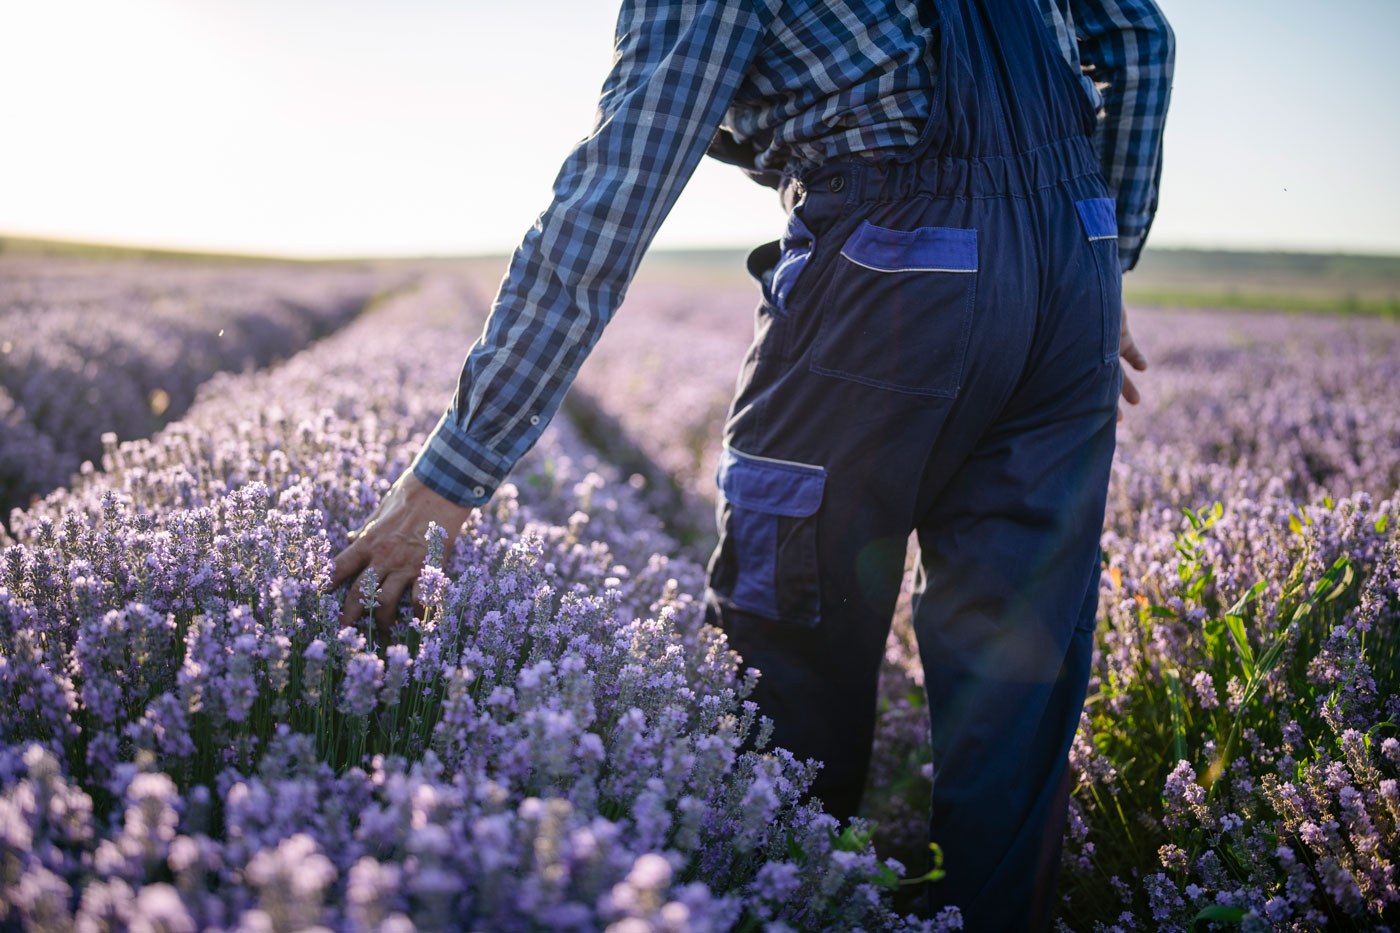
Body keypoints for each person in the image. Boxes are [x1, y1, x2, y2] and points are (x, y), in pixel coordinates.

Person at [329, 0, 1173, 926]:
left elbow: (617, 190)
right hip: (1073, 278)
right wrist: (1102, 256)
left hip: (892, 274)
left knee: (786, 641)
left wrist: (449, 475)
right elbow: (1138, 38)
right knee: (1020, 662)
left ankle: (778, 897)